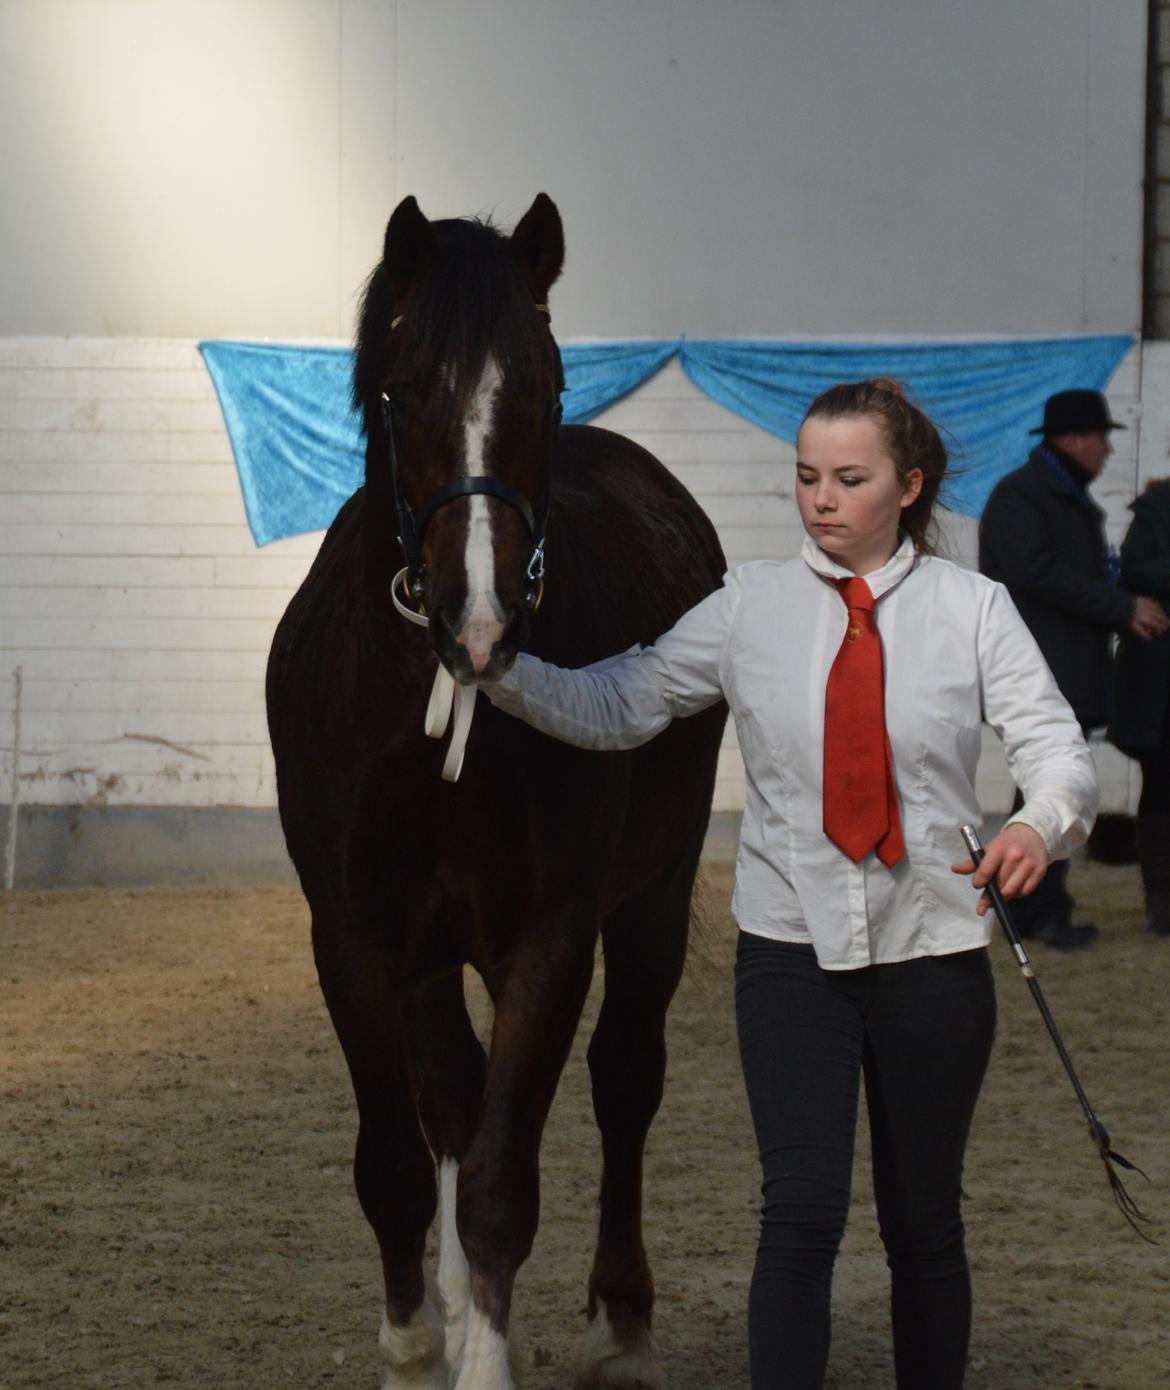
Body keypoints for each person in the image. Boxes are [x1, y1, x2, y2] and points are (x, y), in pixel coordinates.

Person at [482, 378, 1096, 1390]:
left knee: (925, 1223)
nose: (821, 497)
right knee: (800, 1212)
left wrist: (1038, 822)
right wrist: (501, 672)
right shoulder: (745, 608)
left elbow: (1057, 749)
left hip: (935, 958)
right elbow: (622, 700)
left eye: (849, 478)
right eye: (806, 475)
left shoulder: (974, 611)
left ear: (909, 485)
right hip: (789, 962)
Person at [978, 388, 1169, 950]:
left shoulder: (1054, 498)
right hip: (1042, 672)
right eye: (1102, 438)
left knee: (1048, 787)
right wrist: (1122, 608)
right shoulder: (1024, 498)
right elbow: (1037, 573)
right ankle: (1031, 906)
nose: (1108, 451)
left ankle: (1036, 906)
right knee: (1048, 788)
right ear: (1074, 440)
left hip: (1064, 668)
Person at [1108, 477, 1170, 935]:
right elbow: (1135, 572)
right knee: (1163, 785)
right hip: (1160, 681)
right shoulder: (1157, 509)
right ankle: (1162, 901)